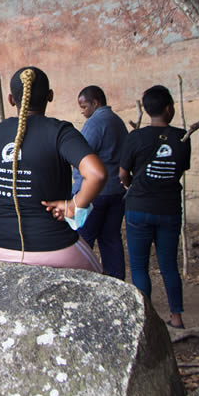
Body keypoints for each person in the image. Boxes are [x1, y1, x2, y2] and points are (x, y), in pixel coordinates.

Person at [0, 66, 106, 271]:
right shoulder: (61, 132)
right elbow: (96, 174)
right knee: (101, 277)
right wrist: (74, 205)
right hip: (54, 245)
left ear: (12, 99)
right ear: (50, 96)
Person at [119, 85, 191, 329]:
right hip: (169, 209)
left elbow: (123, 173)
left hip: (138, 207)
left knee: (139, 265)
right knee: (168, 264)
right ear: (169, 108)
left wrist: (131, 185)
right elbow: (179, 171)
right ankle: (177, 317)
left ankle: (146, 320)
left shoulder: (135, 137)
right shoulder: (182, 138)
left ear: (147, 110)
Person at [73, 85, 128, 279]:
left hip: (96, 193)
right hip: (117, 191)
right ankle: (116, 280)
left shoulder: (95, 123)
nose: (83, 112)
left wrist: (78, 192)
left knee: (83, 240)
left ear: (95, 103)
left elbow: (81, 156)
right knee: (111, 238)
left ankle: (81, 281)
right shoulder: (118, 122)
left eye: (84, 106)